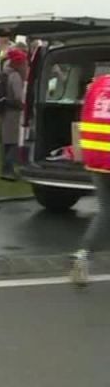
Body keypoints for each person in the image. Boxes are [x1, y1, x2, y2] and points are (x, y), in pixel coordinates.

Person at [70, 72, 110, 286]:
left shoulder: (99, 84)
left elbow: (84, 116)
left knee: (106, 210)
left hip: (96, 156)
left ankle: (83, 255)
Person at [0, 48, 27, 180]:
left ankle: (5, 169)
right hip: (13, 113)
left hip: (4, 111)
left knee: (6, 142)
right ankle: (8, 170)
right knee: (13, 142)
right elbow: (18, 96)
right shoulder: (14, 76)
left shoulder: (3, 72)